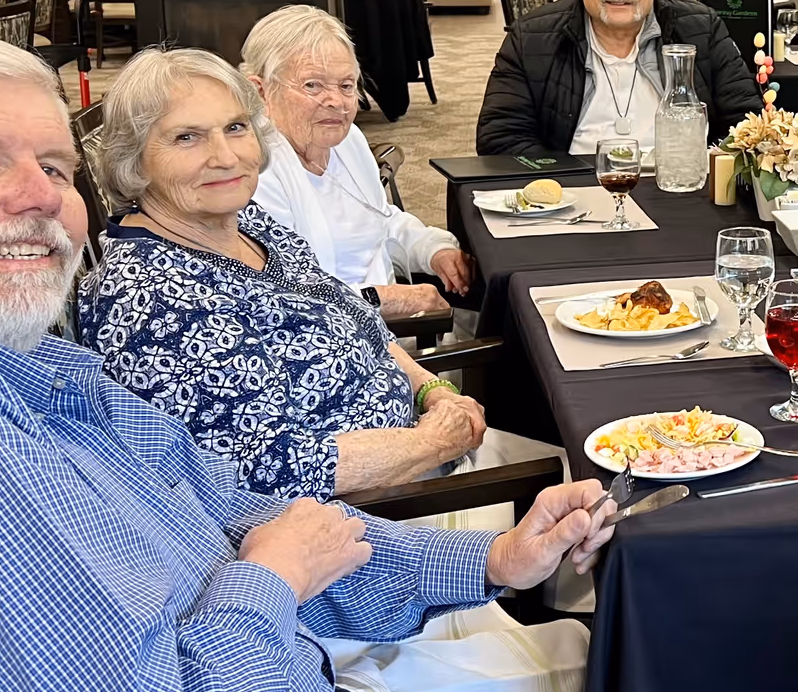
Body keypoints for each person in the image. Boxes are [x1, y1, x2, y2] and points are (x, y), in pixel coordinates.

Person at [0, 31, 792, 692]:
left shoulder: (35, 367)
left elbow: (262, 517)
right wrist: (268, 583)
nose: (36, 197)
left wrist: (488, 560)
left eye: (53, 165)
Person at [77, 47, 529, 502]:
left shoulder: (247, 223)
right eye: (186, 138)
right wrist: (434, 442)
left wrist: (432, 391)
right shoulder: (149, 299)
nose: (226, 156)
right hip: (382, 516)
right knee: (589, 497)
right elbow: (266, 470)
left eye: (236, 128)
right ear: (133, 161)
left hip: (424, 450)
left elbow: (358, 322)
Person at [244, 5, 472, 322]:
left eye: (346, 85)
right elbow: (283, 300)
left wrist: (433, 248)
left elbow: (379, 219)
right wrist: (387, 299)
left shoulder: (347, 140)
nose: (336, 101)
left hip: (391, 322)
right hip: (333, 344)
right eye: (313, 85)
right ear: (261, 91)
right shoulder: (251, 173)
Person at [476, 0, 764, 159]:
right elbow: (501, 137)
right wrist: (561, 183)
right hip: (575, 191)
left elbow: (746, 123)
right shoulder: (532, 37)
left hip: (681, 190)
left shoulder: (701, 29)